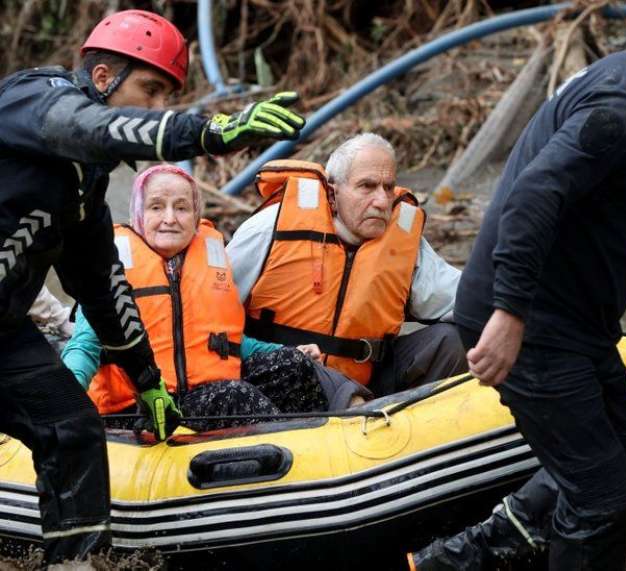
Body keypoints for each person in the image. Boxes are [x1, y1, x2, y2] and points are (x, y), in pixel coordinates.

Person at [409, 1, 626, 568]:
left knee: (621, 461)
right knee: (599, 498)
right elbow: (529, 200)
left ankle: (448, 562)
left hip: (580, 327)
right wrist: (509, 313)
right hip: (531, 324)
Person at [0, 9, 305, 564]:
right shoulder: (33, 100)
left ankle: (75, 563)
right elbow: (90, 128)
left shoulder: (85, 188)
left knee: (72, 429)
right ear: (101, 79)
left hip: (3, 335)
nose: (158, 107)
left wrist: (149, 381)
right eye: (151, 89)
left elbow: (103, 291)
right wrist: (209, 132)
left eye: (168, 97)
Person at [62, 165, 369, 431]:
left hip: (203, 390)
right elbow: (84, 346)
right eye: (156, 207)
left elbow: (232, 343)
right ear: (139, 213)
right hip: (141, 408)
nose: (170, 218)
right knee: (233, 396)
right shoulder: (113, 269)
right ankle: (296, 454)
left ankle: (325, 442)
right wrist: (65, 398)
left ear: (196, 216)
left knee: (292, 364)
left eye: (181, 208)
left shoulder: (208, 259)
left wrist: (291, 350)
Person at [226, 133, 467, 397]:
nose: (382, 201)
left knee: (451, 341)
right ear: (333, 190)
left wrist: (510, 317)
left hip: (367, 383)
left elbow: (464, 300)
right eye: (367, 186)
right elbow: (210, 313)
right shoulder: (271, 227)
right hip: (280, 380)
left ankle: (416, 428)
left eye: (388, 187)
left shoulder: (403, 242)